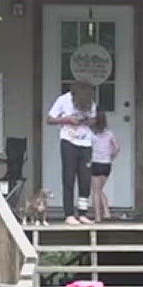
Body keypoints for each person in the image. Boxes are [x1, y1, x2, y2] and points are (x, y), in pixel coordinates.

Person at [46, 79, 97, 224]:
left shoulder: (90, 102)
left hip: (86, 142)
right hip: (68, 141)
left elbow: (94, 120)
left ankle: (82, 213)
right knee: (68, 177)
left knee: (85, 179)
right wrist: (68, 120)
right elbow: (49, 119)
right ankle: (69, 214)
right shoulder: (63, 100)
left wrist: (86, 120)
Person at [87, 109, 120, 223]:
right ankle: (106, 211)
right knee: (100, 189)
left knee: (96, 191)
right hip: (106, 165)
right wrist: (111, 157)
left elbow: (87, 148)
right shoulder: (109, 133)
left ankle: (97, 217)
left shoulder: (91, 134)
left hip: (95, 163)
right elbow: (117, 148)